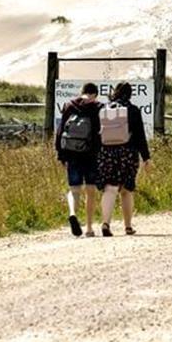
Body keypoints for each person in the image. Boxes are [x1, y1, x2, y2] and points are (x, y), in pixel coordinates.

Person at [96, 81, 151, 236]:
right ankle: (128, 226)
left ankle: (105, 223)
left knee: (110, 188)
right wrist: (146, 157)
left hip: (106, 153)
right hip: (128, 153)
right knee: (127, 190)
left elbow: (97, 134)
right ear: (130, 94)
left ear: (115, 92)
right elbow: (140, 136)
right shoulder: (133, 110)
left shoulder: (103, 109)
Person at [55, 82, 102, 237]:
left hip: (71, 153)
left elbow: (60, 131)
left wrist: (60, 154)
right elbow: (100, 133)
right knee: (90, 191)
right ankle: (89, 228)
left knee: (74, 190)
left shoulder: (69, 106)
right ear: (95, 94)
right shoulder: (97, 108)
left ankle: (72, 213)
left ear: (81, 92)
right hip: (91, 155)